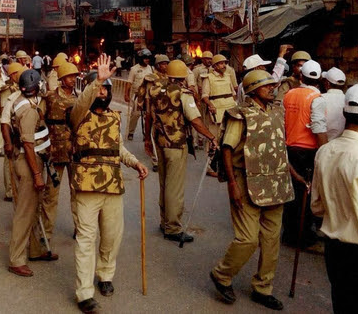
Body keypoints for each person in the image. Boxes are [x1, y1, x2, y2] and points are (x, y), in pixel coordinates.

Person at [70, 55, 148, 313]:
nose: (102, 92)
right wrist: (96, 81)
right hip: (86, 186)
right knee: (86, 239)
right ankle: (84, 293)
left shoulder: (115, 117)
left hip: (113, 185)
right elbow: (82, 102)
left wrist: (135, 162)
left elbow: (118, 148)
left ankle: (105, 275)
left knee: (112, 237)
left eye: (105, 88)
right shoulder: (79, 114)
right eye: (98, 88)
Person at [210, 70, 294, 311]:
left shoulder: (277, 111)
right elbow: (227, 149)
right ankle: (222, 274)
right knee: (247, 239)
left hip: (275, 183)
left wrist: (294, 175)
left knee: (271, 240)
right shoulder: (240, 115)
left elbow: (278, 148)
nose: (272, 88)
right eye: (266, 86)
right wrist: (232, 185)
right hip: (246, 181)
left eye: (272, 85)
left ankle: (263, 287)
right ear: (253, 90)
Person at [143, 60, 218, 243]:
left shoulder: (154, 91)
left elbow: (148, 116)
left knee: (164, 184)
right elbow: (195, 121)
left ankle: (164, 221)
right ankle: (173, 227)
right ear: (183, 77)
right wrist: (211, 137)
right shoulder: (183, 94)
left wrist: (147, 139)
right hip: (176, 144)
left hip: (160, 142)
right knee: (175, 188)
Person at [311, 84, 358, 314]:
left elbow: (317, 207)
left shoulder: (325, 151)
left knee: (342, 304)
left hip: (334, 249)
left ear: (344, 113)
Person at [29, 61, 79, 259]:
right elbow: (38, 118)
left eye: (74, 77)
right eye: (69, 77)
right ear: (62, 79)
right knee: (51, 196)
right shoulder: (49, 98)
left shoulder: (78, 99)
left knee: (78, 193)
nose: (72, 80)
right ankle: (45, 236)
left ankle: (80, 229)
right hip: (55, 152)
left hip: (74, 152)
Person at [7, 69, 51, 277]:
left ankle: (35, 250)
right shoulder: (29, 111)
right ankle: (16, 259)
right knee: (24, 213)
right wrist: (37, 175)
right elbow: (28, 145)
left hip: (32, 161)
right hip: (29, 164)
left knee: (34, 210)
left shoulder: (23, 102)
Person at [282, 59, 328, 248]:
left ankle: (289, 233)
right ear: (320, 78)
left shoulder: (289, 94)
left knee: (292, 193)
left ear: (301, 76)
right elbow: (318, 127)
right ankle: (301, 235)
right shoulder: (316, 98)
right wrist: (324, 153)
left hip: (290, 147)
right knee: (306, 195)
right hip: (307, 152)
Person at [201, 54, 237, 176]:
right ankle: (210, 167)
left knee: (229, 139)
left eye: (224, 63)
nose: (224, 66)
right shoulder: (208, 78)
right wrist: (210, 105)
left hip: (229, 110)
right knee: (214, 139)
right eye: (221, 63)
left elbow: (233, 93)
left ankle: (226, 165)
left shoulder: (228, 77)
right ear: (215, 66)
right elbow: (205, 96)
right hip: (216, 112)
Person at [0, 62, 28, 201]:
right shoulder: (7, 90)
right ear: (12, 75)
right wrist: (7, 140)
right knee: (9, 161)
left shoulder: (27, 88)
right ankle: (10, 190)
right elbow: (3, 113)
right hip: (11, 130)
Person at [124, 48, 154, 140]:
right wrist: (126, 95)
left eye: (148, 58)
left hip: (148, 95)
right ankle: (131, 132)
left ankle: (146, 134)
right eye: (145, 58)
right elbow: (129, 83)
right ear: (141, 59)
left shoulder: (151, 68)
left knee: (148, 115)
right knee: (135, 114)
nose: (147, 60)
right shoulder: (134, 69)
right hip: (138, 95)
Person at [321, 67, 346, 141]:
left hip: (322, 142)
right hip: (343, 142)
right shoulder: (347, 100)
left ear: (327, 83)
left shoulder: (320, 98)